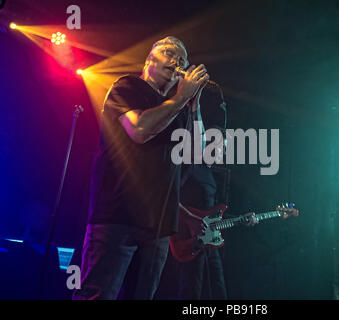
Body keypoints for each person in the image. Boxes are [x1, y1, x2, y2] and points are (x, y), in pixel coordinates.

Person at [73, 36, 209, 300]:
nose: (178, 62)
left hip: (157, 228)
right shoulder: (127, 86)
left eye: (183, 59)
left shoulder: (178, 107)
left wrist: (195, 104)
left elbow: (199, 151)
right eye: (170, 53)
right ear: (149, 60)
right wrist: (181, 98)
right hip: (117, 219)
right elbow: (139, 130)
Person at [177, 161, 258, 300]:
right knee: (191, 292)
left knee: (219, 291)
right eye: (221, 145)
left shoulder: (210, 173)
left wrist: (240, 219)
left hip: (211, 242)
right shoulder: (189, 167)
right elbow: (172, 197)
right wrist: (190, 220)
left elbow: (215, 215)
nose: (223, 150)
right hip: (192, 239)